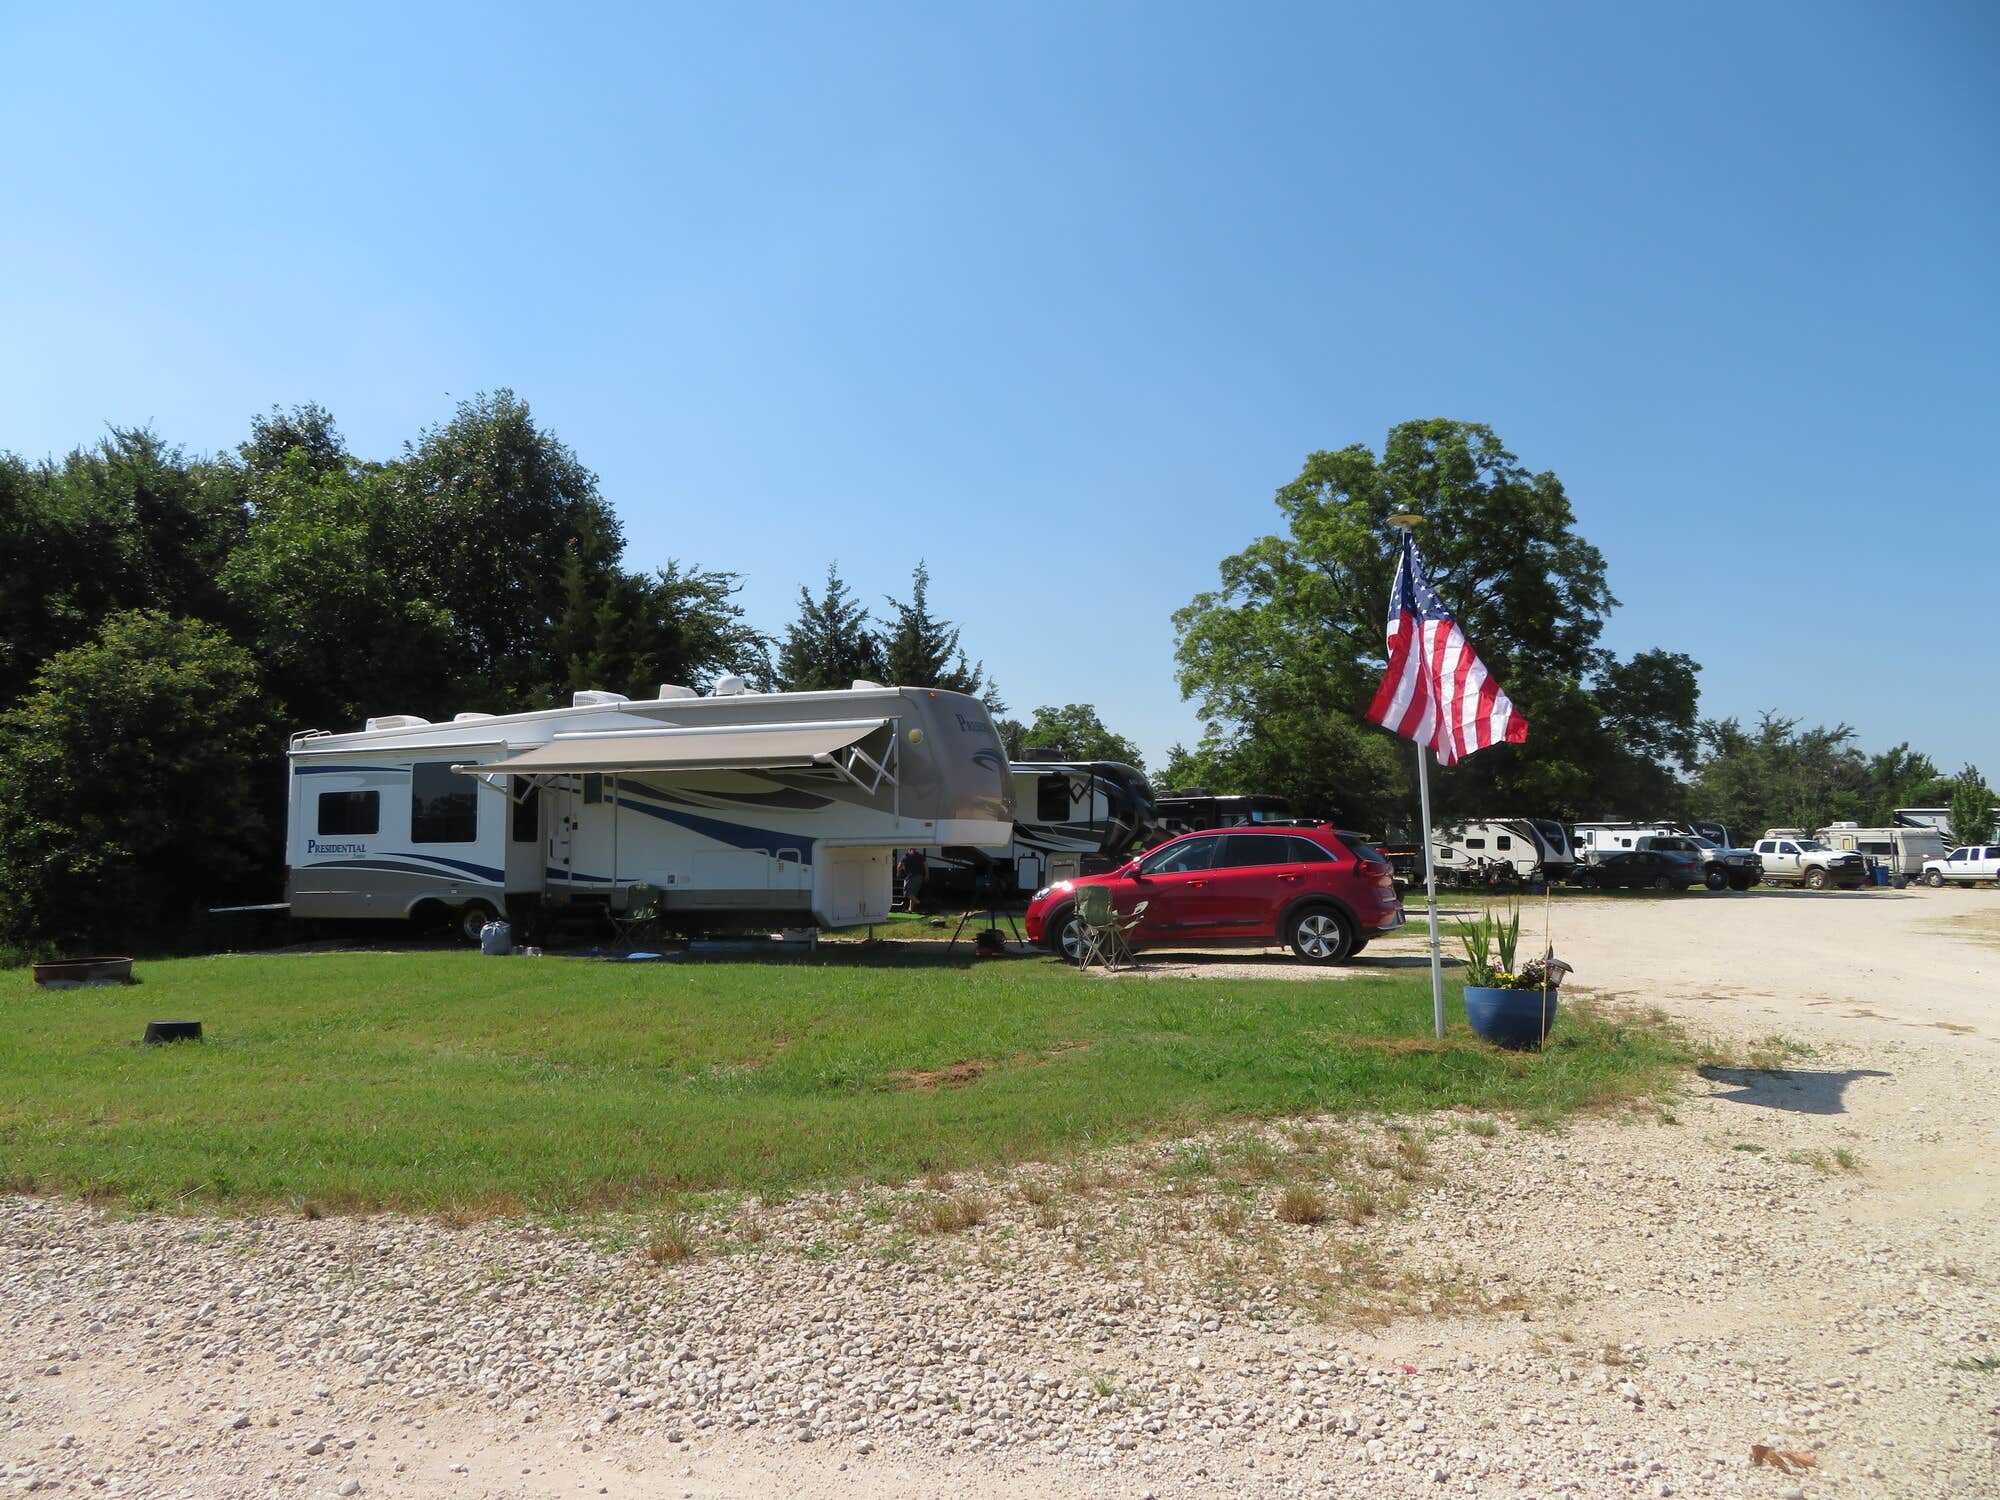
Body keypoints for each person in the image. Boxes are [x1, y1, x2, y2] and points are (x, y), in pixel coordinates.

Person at [900, 847, 928, 912]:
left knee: (906, 893)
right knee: (913, 894)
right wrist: (927, 875)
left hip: (910, 877)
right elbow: (926, 865)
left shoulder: (906, 855)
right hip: (919, 877)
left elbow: (900, 865)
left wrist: (898, 873)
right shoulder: (920, 856)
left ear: (909, 849)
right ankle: (910, 909)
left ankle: (919, 903)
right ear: (916, 849)